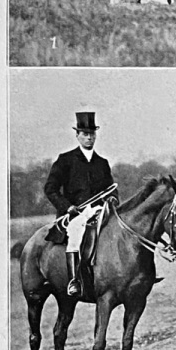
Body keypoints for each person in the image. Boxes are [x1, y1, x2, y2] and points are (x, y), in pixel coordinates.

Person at [43, 112, 115, 299]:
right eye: (84, 134)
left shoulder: (102, 163)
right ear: (77, 136)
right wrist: (67, 206)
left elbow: (111, 190)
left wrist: (112, 200)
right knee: (76, 230)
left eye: (92, 134)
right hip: (75, 214)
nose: (89, 137)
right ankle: (74, 280)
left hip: (98, 211)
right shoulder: (65, 160)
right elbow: (50, 189)